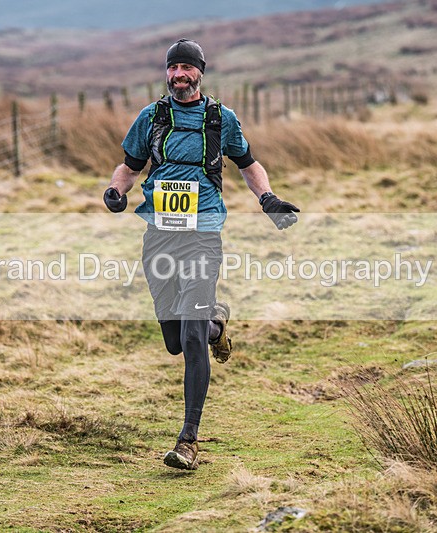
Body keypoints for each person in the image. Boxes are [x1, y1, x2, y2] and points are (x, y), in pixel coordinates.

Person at [103, 38, 299, 470]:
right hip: (159, 235)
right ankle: (216, 323)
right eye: (172, 69)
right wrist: (116, 190)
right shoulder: (151, 117)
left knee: (189, 338)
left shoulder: (221, 119)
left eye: (186, 69)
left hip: (203, 235)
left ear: (200, 73)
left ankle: (188, 441)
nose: (178, 76)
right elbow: (129, 165)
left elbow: (248, 164)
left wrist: (267, 199)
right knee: (176, 341)